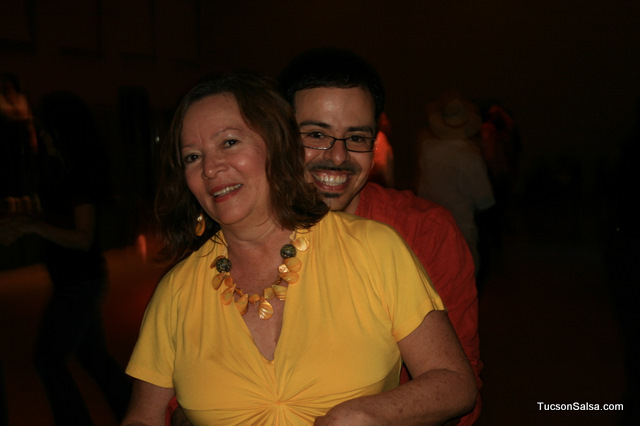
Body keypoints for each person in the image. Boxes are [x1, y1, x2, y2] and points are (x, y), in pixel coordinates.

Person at [122, 72, 476, 425]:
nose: (211, 168)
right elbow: (142, 419)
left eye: (229, 142)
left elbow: (456, 382)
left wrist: (368, 414)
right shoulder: (176, 291)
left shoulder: (374, 248)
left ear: (277, 145)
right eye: (192, 157)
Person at [278, 48, 482, 424]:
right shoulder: (244, 231)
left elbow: (460, 393)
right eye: (316, 135)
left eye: (356, 138)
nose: (337, 157)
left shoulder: (423, 233)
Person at [1, 92, 131, 425]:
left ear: (61, 130)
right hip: (76, 281)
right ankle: (136, 415)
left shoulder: (77, 177)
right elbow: (59, 221)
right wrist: (24, 224)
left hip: (80, 284)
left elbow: (82, 238)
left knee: (48, 360)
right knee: (93, 356)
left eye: (44, 126)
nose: (40, 133)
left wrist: (32, 225)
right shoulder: (61, 173)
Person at [417, 90, 495, 276]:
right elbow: (485, 200)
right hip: (461, 231)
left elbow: (422, 191)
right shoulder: (470, 158)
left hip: (430, 230)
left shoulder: (428, 150)